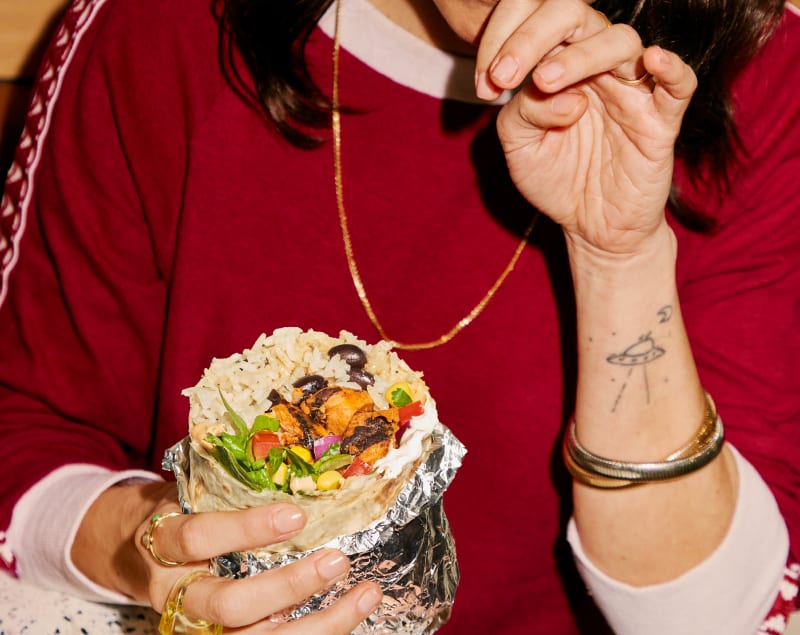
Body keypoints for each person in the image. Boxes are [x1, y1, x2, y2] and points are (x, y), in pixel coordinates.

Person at [0, 0, 798, 632]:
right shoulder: (160, 28)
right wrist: (149, 548)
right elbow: (22, 428)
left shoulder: (769, 78)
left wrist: (620, 259)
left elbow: (713, 617)